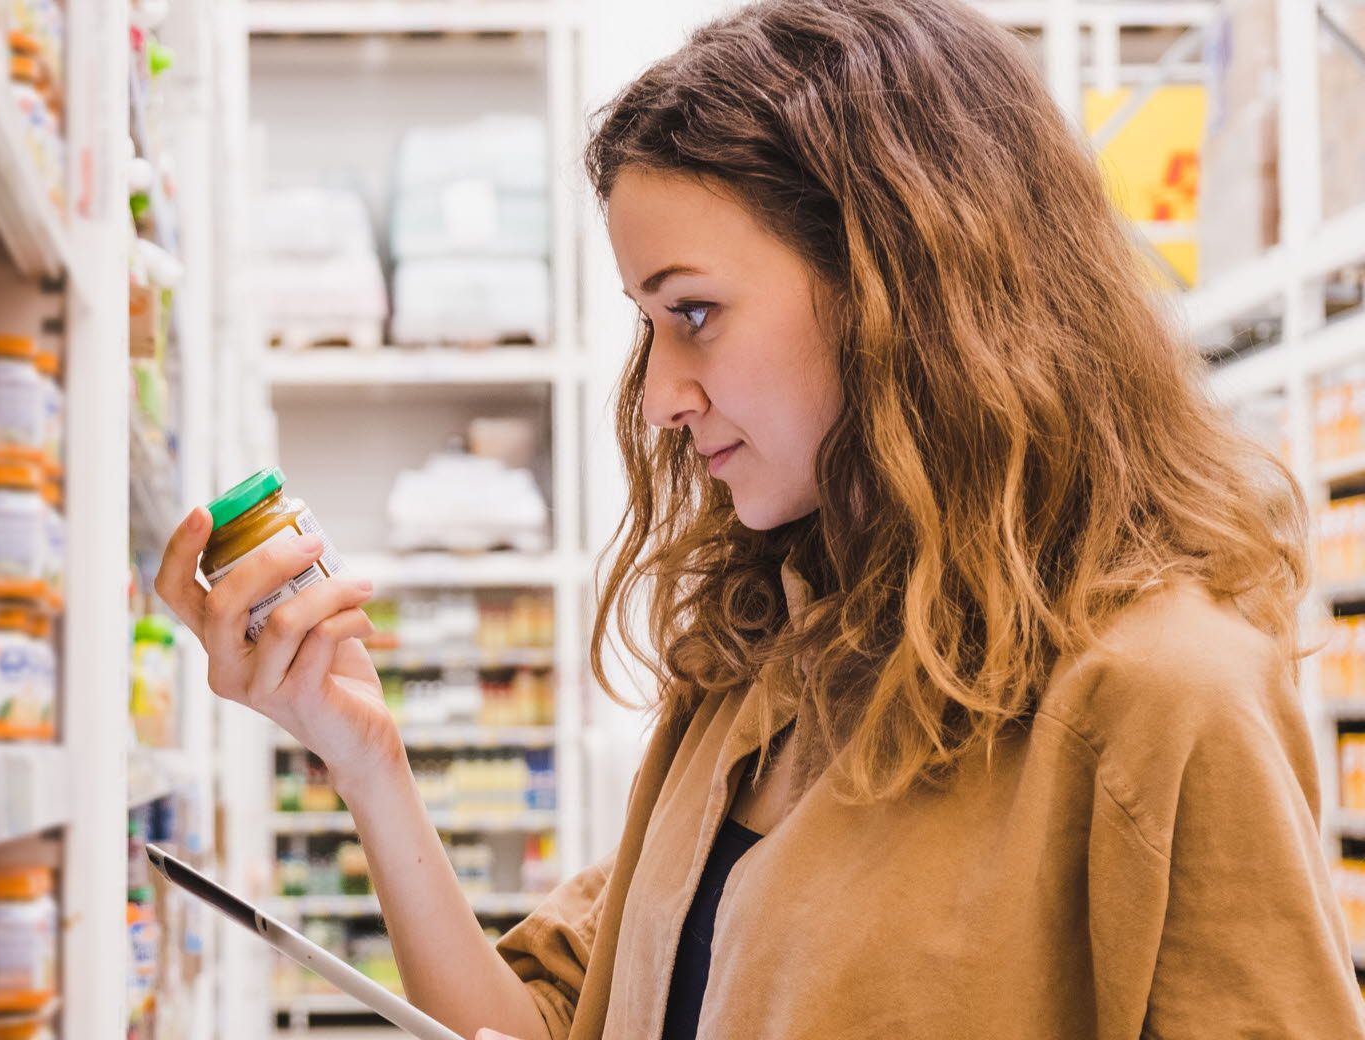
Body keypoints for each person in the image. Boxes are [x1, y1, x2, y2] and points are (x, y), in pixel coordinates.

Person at [155, 0, 1365, 1035]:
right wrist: (360, 752)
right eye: (646, 323)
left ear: (900, 284)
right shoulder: (757, 669)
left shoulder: (1159, 699)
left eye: (693, 311)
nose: (665, 398)